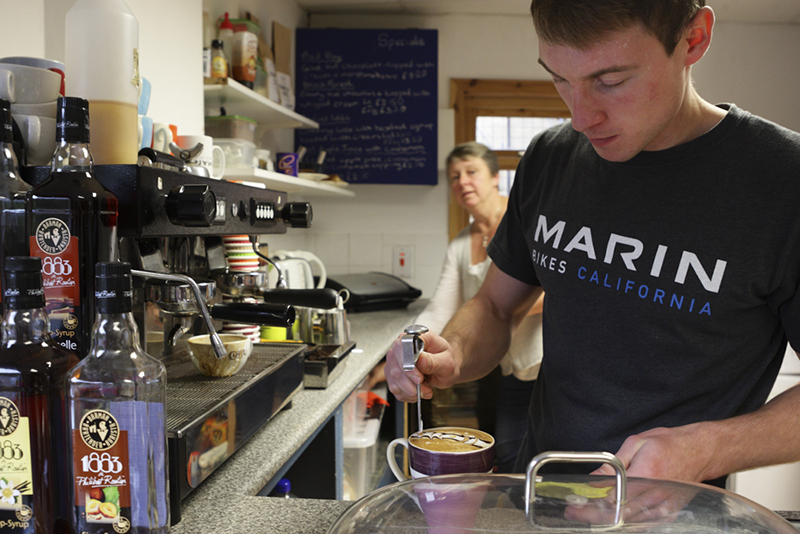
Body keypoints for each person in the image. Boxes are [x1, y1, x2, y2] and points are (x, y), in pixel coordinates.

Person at [385, 0, 800, 488]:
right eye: (560, 79)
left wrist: (705, 448)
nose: (581, 117)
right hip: (539, 491)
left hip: (677, 511)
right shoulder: (549, 158)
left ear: (693, 39)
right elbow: (496, 308)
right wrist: (450, 352)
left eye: (611, 81)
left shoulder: (782, 182)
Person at [412, 142, 543, 473]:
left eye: (472, 171)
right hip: (503, 366)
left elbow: (555, 291)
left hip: (547, 364)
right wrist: (413, 340)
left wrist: (505, 306)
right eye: (455, 176)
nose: (462, 182)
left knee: (546, 464)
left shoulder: (527, 223)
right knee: (509, 460)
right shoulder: (460, 243)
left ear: (496, 177)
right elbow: (441, 306)